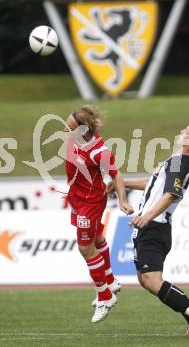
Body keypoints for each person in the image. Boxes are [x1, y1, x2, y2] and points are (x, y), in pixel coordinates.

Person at [106, 119, 189, 341]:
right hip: (152, 227)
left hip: (155, 227)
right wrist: (124, 183)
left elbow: (171, 194)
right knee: (145, 279)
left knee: (151, 279)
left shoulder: (180, 161)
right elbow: (154, 183)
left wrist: (146, 217)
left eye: (188, 130)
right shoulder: (177, 161)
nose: (182, 131)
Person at [64, 105, 133, 323]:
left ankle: (105, 295)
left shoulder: (99, 151)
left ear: (83, 131)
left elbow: (117, 175)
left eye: (70, 127)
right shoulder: (74, 140)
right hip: (76, 198)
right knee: (96, 238)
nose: (66, 130)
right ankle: (111, 281)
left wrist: (122, 200)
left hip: (90, 203)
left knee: (85, 247)